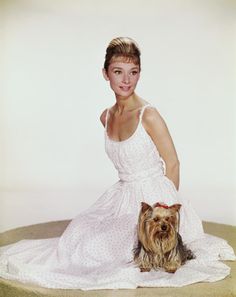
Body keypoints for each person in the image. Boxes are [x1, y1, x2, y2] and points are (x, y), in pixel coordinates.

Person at [0, 37, 235, 290]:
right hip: (122, 195)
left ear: (139, 74)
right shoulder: (106, 116)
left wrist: (165, 211)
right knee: (79, 233)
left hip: (155, 198)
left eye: (133, 72)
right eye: (118, 72)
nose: (126, 80)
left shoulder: (149, 115)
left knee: (122, 244)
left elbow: (173, 163)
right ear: (105, 74)